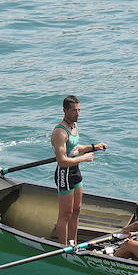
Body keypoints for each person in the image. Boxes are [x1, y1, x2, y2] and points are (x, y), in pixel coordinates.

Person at [50, 95, 106, 245]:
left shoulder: (74, 126)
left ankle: (73, 244)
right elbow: (62, 161)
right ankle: (63, 248)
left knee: (77, 210)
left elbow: (75, 148)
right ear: (65, 110)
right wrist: (84, 158)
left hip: (75, 172)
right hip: (64, 174)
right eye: (74, 110)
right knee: (65, 214)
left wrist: (94, 147)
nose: (78, 113)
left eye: (79, 110)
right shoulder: (60, 133)